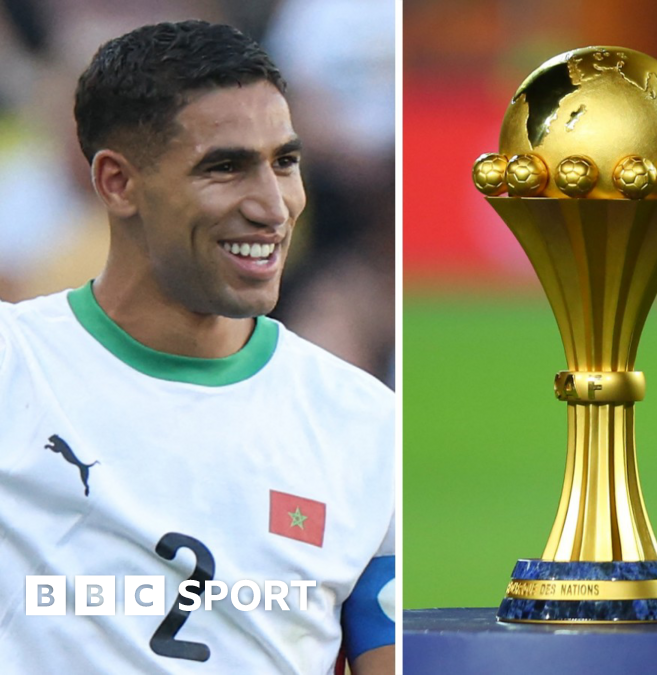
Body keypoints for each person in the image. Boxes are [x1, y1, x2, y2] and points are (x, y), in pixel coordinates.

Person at [0, 21, 395, 673]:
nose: (273, 206)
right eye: (225, 167)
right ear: (118, 183)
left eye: (285, 162)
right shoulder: (15, 368)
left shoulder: (364, 423)